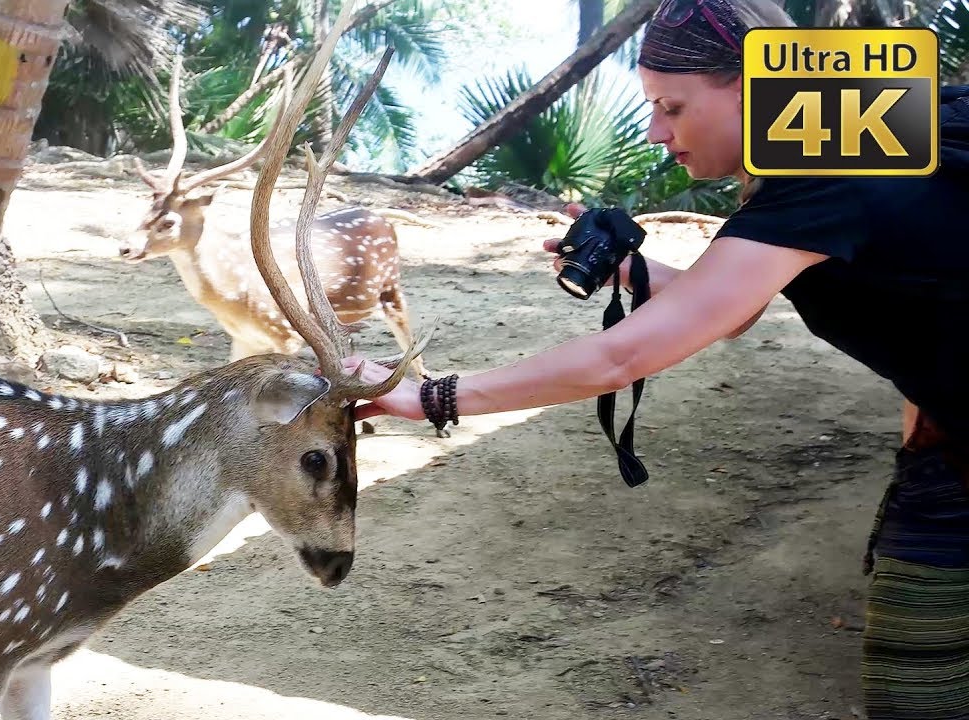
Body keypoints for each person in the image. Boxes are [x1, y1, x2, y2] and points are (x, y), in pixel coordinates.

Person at [343, 0, 969, 716]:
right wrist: (629, 273)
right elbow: (731, 309)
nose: (655, 132)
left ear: (750, 86)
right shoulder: (862, 138)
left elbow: (623, 358)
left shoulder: (830, 175)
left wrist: (431, 397)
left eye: (671, 106)